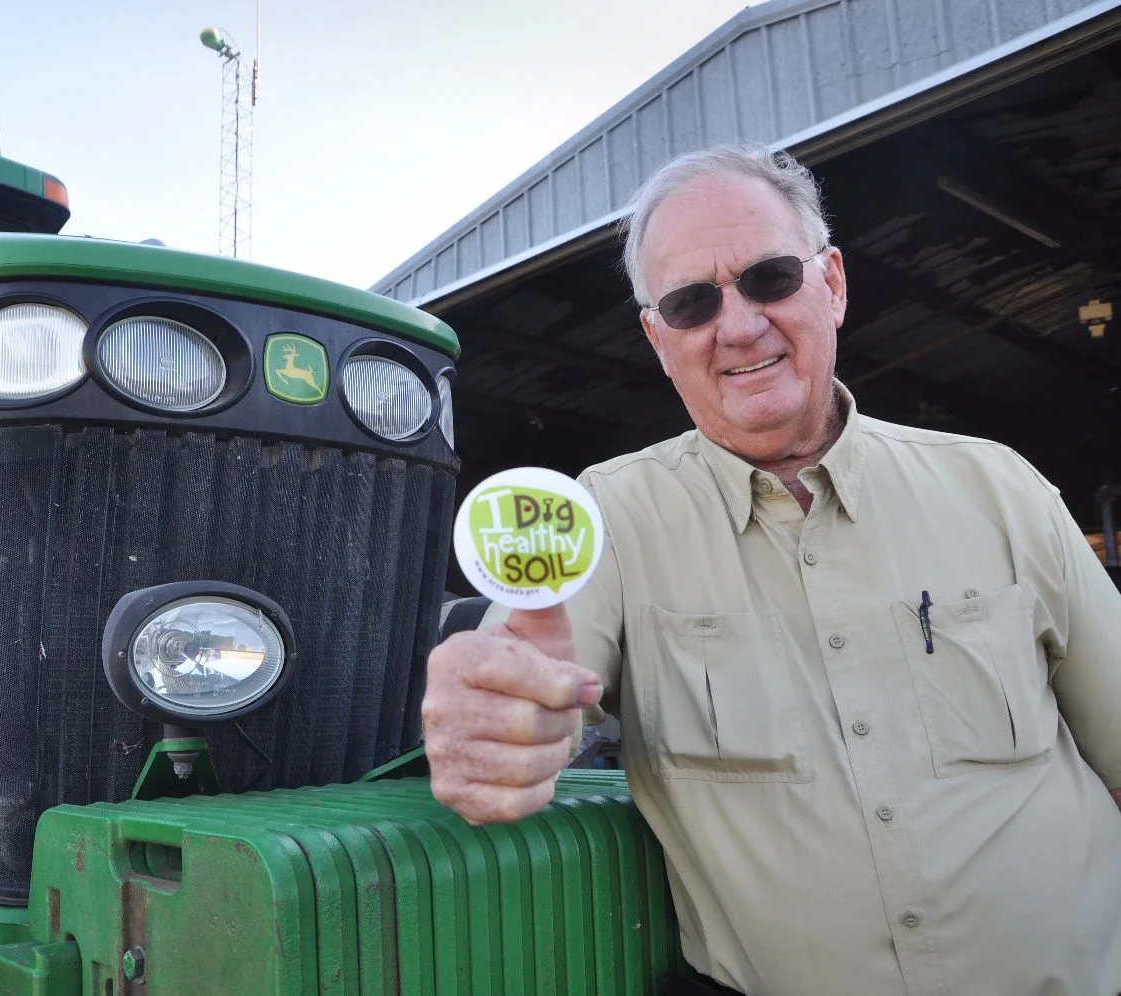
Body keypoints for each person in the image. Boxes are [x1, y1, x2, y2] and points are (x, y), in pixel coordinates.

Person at [421, 144, 1121, 996]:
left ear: (831, 283)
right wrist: (493, 722)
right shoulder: (604, 519)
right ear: (656, 335)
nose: (740, 325)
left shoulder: (1000, 485)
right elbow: (529, 686)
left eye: (769, 278)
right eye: (691, 301)